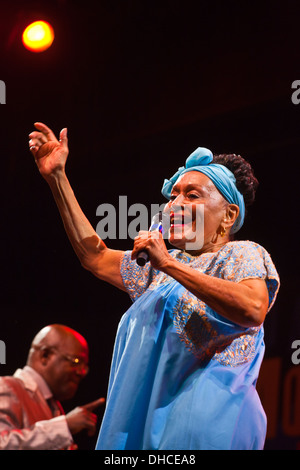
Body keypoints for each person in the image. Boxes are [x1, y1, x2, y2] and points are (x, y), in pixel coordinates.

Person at [29, 123, 280, 450]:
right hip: (150, 432)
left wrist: (169, 264)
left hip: (207, 432)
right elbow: (94, 255)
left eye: (192, 195)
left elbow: (252, 308)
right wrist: (57, 178)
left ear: (229, 215)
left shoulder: (241, 252)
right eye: (173, 194)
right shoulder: (159, 271)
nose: (175, 202)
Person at [0, 324, 105, 450]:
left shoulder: (53, 406)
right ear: (45, 355)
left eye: (84, 366)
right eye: (76, 361)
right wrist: (65, 426)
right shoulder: (6, 387)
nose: (81, 372)